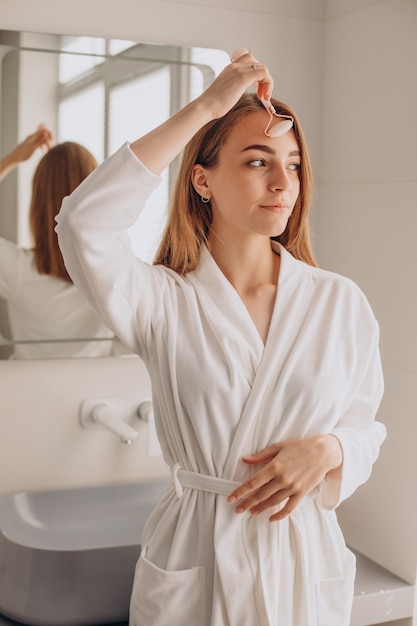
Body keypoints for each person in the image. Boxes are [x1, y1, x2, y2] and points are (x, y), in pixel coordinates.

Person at [56, 49, 386, 625]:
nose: (284, 181)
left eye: (294, 163)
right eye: (259, 162)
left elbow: (365, 427)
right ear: (201, 179)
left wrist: (331, 449)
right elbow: (82, 224)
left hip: (302, 557)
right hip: (197, 556)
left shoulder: (340, 302)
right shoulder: (162, 301)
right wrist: (209, 105)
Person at [0, 127, 114, 358]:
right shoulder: (114, 268)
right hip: (96, 390)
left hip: (26, 391)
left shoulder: (19, 270)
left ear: (39, 204)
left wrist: (13, 159)